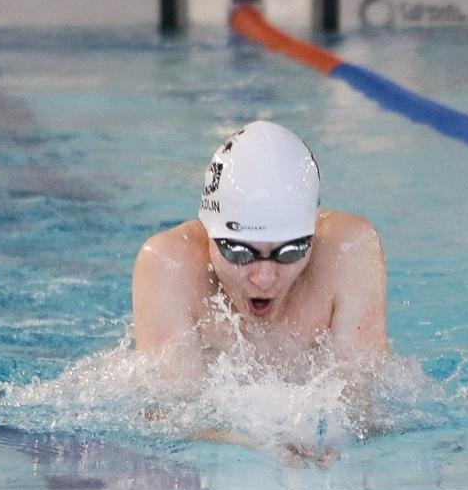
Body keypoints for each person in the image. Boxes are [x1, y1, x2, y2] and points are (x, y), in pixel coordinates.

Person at [131, 121, 388, 383]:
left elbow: (361, 397)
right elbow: (176, 403)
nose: (264, 278)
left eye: (289, 252)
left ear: (312, 237)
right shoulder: (170, 265)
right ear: (209, 233)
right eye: (240, 253)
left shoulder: (348, 252)